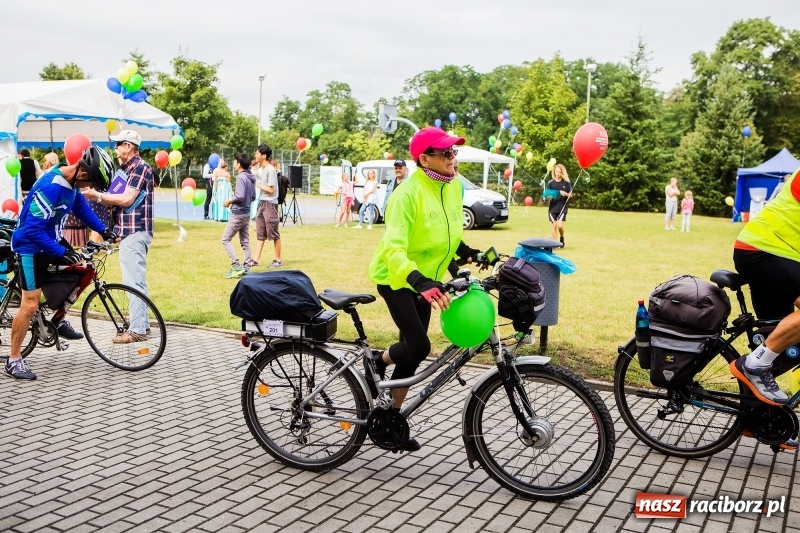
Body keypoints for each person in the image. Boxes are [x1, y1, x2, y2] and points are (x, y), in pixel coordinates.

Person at [367, 127, 481, 451]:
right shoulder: (406, 195)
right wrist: (419, 281)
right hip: (397, 277)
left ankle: (390, 420)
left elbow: (448, 232)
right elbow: (394, 249)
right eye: (445, 153)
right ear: (425, 159)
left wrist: (465, 253)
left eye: (454, 152)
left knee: (412, 354)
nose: (452, 158)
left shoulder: (453, 186)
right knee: (418, 346)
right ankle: (378, 359)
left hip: (427, 281)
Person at [5, 146, 116, 380]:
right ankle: (13, 360)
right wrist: (60, 251)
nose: (89, 187)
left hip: (50, 240)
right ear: (82, 173)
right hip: (30, 246)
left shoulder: (71, 184)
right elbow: (32, 230)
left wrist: (103, 229)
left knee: (81, 269)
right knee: (30, 305)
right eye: (91, 182)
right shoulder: (51, 187)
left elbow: (81, 208)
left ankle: (58, 319)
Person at [729, 168, 800, 409]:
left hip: (777, 255)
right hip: (762, 251)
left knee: (784, 347)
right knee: (768, 354)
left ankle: (756, 417)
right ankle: (754, 365)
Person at [81, 130, 154, 344]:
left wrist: (97, 195)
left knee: (133, 282)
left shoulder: (140, 167)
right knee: (137, 280)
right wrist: (99, 196)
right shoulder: (124, 170)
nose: (115, 148)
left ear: (129, 146)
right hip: (128, 231)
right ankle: (143, 324)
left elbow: (126, 199)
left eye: (118, 144)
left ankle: (137, 330)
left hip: (135, 230)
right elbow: (112, 199)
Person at [220, 153, 257, 278]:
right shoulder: (250, 177)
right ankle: (247, 268)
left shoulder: (241, 177)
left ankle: (236, 266)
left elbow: (240, 196)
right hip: (246, 213)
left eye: (235, 162)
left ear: (239, 164)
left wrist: (230, 201)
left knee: (225, 239)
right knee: (245, 242)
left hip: (238, 214)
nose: (233, 164)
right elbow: (253, 197)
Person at [252, 145, 282, 268]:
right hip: (262, 203)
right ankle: (256, 259)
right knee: (260, 232)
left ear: (264, 156)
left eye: (257, 153)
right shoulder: (264, 170)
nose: (255, 155)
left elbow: (271, 190)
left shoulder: (270, 170)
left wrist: (257, 184)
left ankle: (278, 260)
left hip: (270, 204)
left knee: (274, 233)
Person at [545, 164, 573, 246]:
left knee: (560, 225)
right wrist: (549, 196)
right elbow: (546, 196)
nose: (558, 173)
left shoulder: (567, 183)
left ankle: (562, 237)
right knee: (554, 225)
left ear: (562, 172)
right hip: (553, 207)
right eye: (556, 171)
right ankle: (555, 244)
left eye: (559, 172)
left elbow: (571, 195)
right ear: (554, 172)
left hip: (562, 206)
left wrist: (565, 194)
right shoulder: (550, 183)